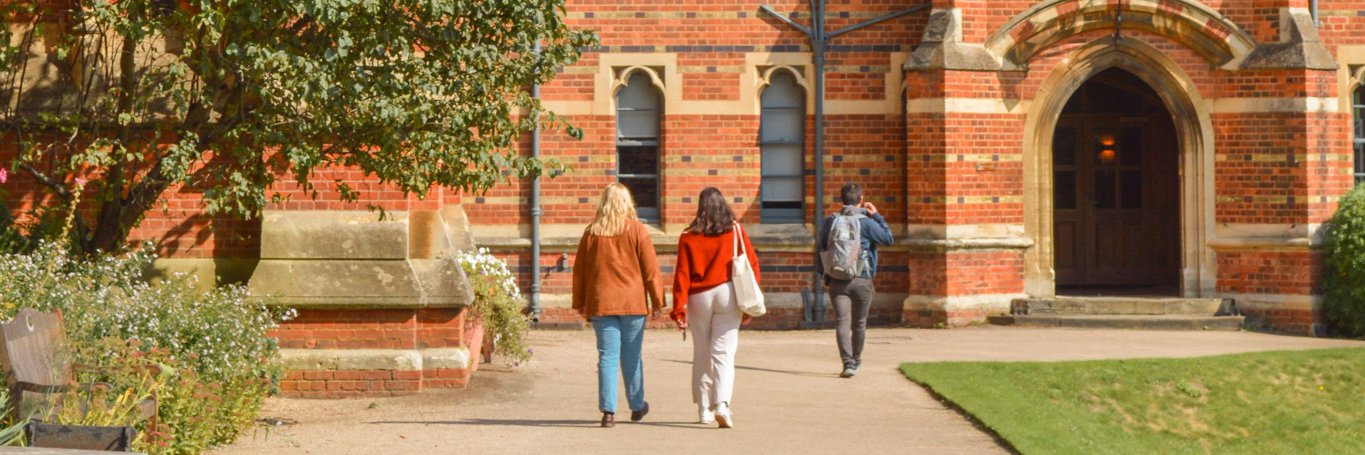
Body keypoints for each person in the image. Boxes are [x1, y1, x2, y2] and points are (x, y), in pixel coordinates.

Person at [571, 183, 665, 428]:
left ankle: (608, 411)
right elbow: (651, 270)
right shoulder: (637, 230)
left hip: (602, 302)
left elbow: (579, 271)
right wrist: (657, 300)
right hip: (633, 303)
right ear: (627, 203)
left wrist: (579, 302)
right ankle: (636, 405)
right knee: (632, 356)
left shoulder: (591, 233)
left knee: (607, 356)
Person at [671, 187, 759, 429]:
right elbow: (751, 265)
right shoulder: (736, 231)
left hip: (699, 296)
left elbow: (681, 275)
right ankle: (721, 404)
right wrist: (749, 308)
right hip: (728, 292)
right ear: (723, 205)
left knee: (701, 351)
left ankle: (703, 409)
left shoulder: (688, 235)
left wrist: (678, 309)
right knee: (724, 353)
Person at [816, 182, 894, 378]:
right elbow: (888, 239)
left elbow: (821, 250)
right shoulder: (866, 222)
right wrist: (876, 215)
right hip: (862, 279)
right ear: (861, 199)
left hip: (837, 280)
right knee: (859, 323)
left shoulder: (830, 221)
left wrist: (824, 275)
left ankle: (847, 363)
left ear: (841, 199)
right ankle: (857, 360)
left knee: (842, 322)